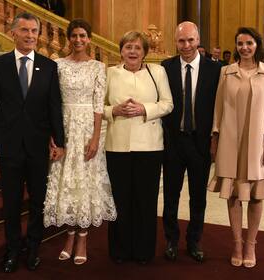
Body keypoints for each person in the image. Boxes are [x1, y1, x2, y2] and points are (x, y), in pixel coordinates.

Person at [0, 12, 65, 273]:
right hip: (7, 147)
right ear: (13, 33)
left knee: (38, 202)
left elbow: (54, 107)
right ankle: (12, 250)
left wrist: (59, 141)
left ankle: (33, 248)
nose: (30, 36)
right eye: (25, 31)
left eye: (34, 31)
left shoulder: (49, 66)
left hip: (39, 147)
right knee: (12, 202)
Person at [43, 19, 117, 265]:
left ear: (89, 38)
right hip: (64, 127)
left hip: (87, 128)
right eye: (73, 35)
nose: (78, 40)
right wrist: (53, 134)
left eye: (82, 35)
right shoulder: (57, 65)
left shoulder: (97, 67)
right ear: (67, 38)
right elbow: (52, 102)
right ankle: (69, 237)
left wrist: (96, 137)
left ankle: (82, 238)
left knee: (84, 182)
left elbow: (98, 105)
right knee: (67, 181)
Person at [208, 27, 264, 268]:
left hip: (257, 142)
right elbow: (218, 108)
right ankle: (237, 243)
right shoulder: (225, 72)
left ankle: (251, 244)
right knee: (234, 195)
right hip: (230, 140)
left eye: (249, 43)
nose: (244, 48)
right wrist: (215, 138)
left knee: (257, 195)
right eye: (240, 43)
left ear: (257, 45)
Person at [104, 31, 173, 264]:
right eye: (128, 47)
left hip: (150, 146)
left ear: (144, 52)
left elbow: (168, 103)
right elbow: (98, 107)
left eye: (137, 48)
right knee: (120, 200)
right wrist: (114, 110)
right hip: (117, 146)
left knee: (145, 200)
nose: (132, 52)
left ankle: (144, 252)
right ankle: (120, 251)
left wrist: (144, 109)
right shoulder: (110, 73)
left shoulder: (158, 72)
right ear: (121, 51)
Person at [161, 21, 221, 262]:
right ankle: (171, 240)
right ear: (175, 42)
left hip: (200, 143)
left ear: (198, 40)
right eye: (181, 41)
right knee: (170, 196)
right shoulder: (165, 67)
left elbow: (220, 109)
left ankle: (194, 241)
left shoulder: (215, 70)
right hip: (173, 143)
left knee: (198, 197)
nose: (186, 45)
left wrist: (216, 139)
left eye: (190, 40)